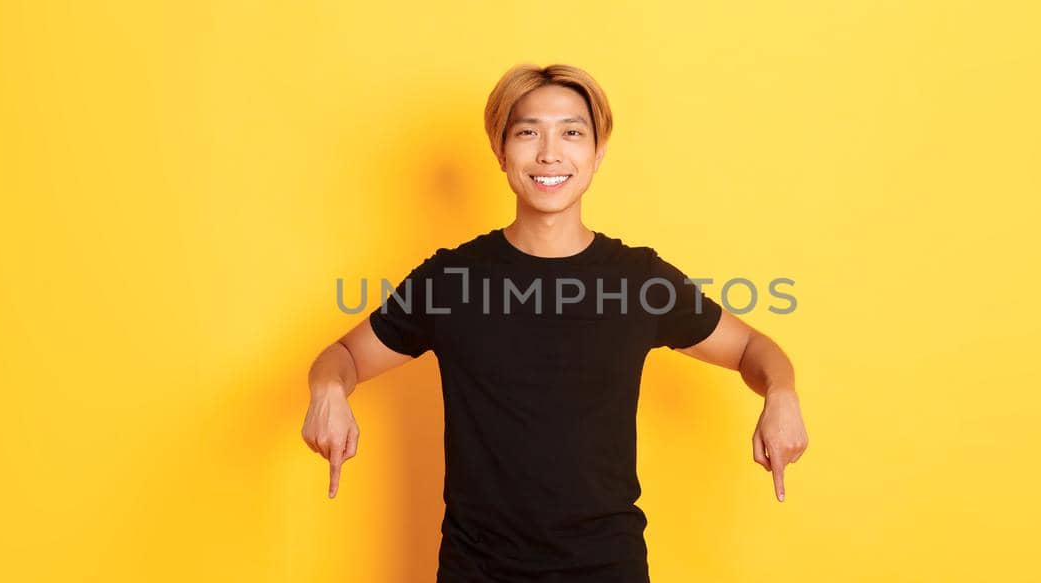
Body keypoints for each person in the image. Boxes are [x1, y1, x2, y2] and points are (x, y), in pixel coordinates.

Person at [302, 63, 808, 582]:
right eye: (528, 133)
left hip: (608, 567)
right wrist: (328, 393)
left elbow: (752, 350)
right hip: (477, 569)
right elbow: (342, 357)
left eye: (571, 132)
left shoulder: (639, 281)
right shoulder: (449, 280)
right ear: (501, 153)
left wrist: (781, 394)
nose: (549, 152)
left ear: (597, 153)